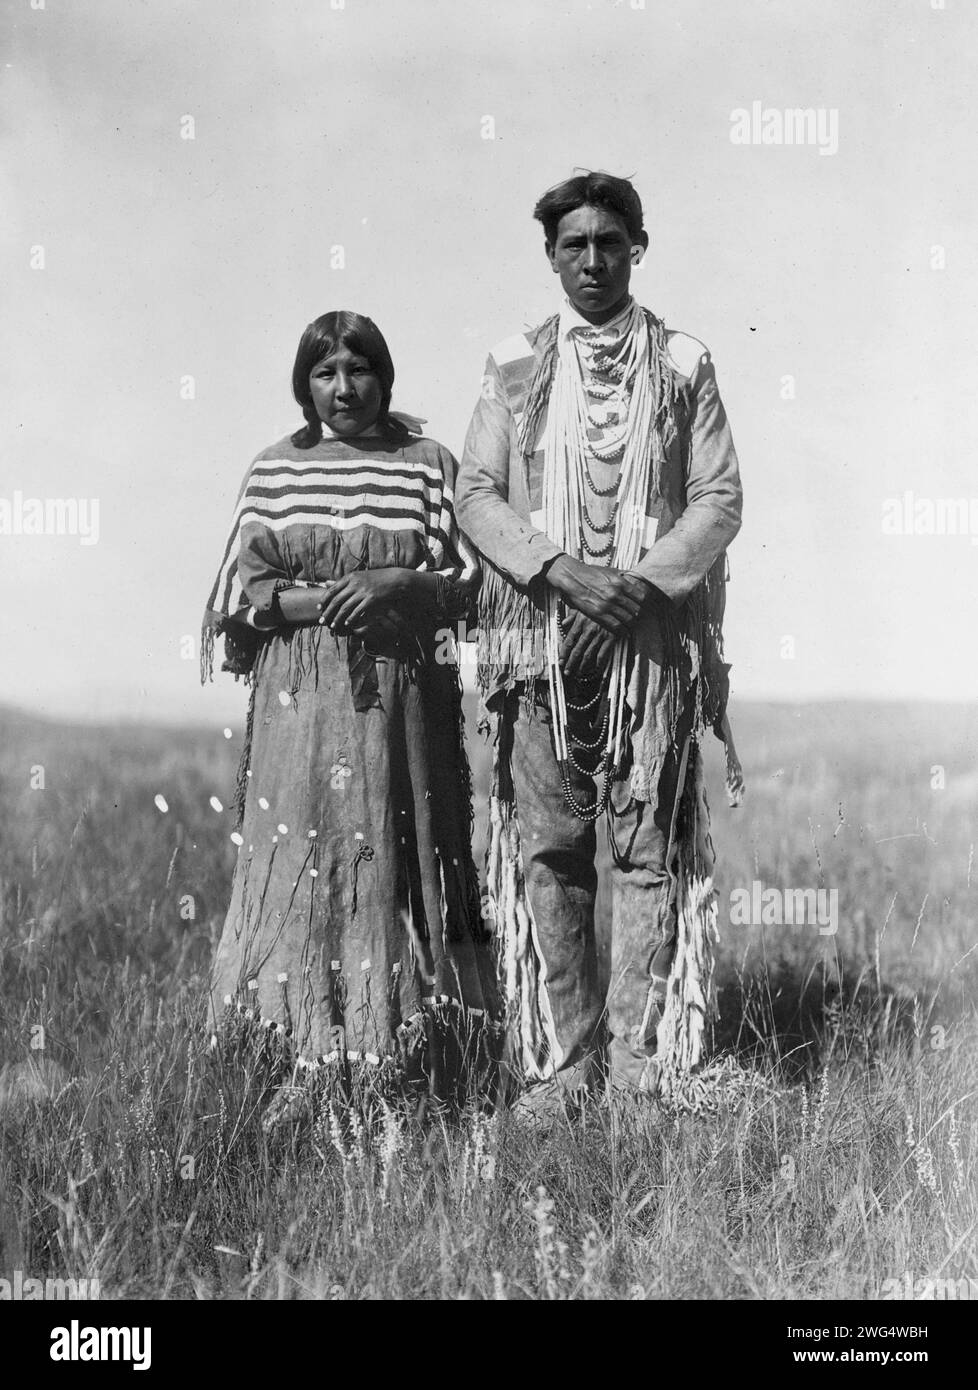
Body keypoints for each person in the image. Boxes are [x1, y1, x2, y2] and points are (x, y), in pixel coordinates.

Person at [455, 172, 744, 1109]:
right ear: (550, 255)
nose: (591, 261)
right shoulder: (512, 364)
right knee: (552, 851)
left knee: (647, 852)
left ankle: (635, 1066)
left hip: (647, 655)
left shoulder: (686, 362)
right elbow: (476, 492)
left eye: (608, 242)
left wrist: (641, 584)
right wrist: (559, 571)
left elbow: (718, 497)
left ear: (637, 248)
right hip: (538, 644)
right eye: (572, 245)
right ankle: (571, 1062)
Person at [201, 311, 499, 1110]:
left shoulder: (427, 465)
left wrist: (402, 585)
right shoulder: (274, 470)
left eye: (358, 370)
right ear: (304, 385)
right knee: (302, 853)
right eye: (325, 373)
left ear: (385, 377)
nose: (343, 389)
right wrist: (331, 602)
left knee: (403, 850)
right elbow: (241, 594)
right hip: (299, 703)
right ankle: (297, 1045)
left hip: (404, 698)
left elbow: (471, 577)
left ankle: (415, 1049)